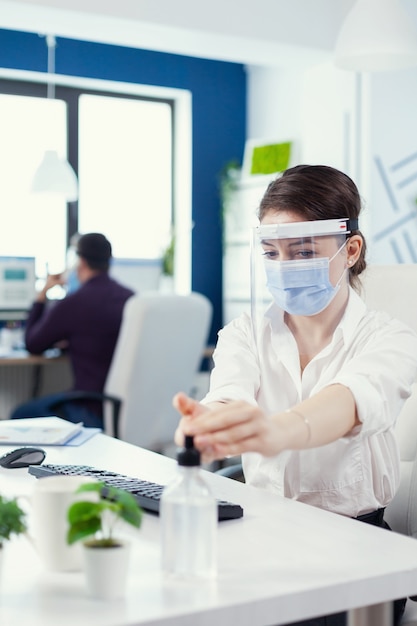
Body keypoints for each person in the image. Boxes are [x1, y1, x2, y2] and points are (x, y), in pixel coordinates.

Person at [173, 164, 417, 626]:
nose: (284, 268)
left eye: (303, 251)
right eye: (272, 252)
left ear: (351, 250)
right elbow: (229, 393)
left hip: (358, 554)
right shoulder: (243, 334)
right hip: (264, 538)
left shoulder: (391, 338)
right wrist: (210, 421)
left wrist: (278, 429)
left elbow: (350, 401)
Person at [11, 233, 134, 428]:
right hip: (126, 408)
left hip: (89, 407)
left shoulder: (74, 303)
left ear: (81, 262)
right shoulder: (131, 298)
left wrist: (42, 294)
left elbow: (33, 344)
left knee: (20, 413)